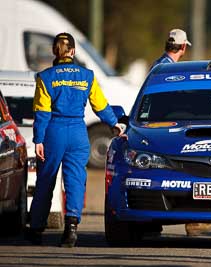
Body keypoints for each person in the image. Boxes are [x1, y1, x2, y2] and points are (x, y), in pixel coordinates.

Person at [25, 32, 123, 247]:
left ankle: (36, 229)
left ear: (54, 51)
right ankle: (71, 230)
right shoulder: (87, 76)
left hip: (53, 133)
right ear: (73, 51)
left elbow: (42, 112)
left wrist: (38, 140)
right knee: (76, 181)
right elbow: (100, 106)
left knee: (46, 180)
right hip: (78, 133)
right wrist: (114, 124)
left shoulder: (45, 77)